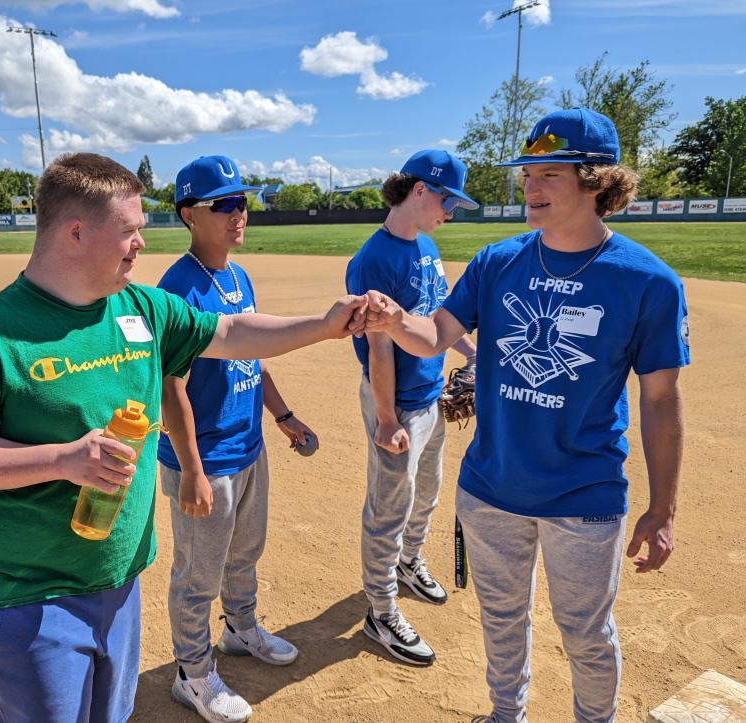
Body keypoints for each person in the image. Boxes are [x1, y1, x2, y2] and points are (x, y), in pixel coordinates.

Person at [0, 153, 365, 723]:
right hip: (25, 594)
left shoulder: (141, 308)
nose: (141, 245)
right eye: (130, 231)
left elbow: (228, 330)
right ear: (77, 231)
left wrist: (325, 324)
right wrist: (65, 459)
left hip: (118, 579)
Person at [355, 108, 689, 723]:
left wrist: (663, 509)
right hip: (490, 488)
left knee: (586, 634)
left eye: (550, 174)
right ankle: (507, 714)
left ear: (598, 182)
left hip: (582, 494)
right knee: (502, 619)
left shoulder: (649, 283)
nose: (530, 187)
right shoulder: (497, 261)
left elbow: (661, 400)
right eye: (528, 172)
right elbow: (434, 336)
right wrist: (395, 319)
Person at [157, 155, 312, 722]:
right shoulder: (177, 289)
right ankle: (191, 674)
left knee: (244, 553)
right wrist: (193, 470)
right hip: (205, 458)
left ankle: (240, 630)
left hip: (247, 446)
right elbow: (169, 387)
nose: (237, 213)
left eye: (241, 202)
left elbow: (254, 351)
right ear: (188, 215)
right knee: (197, 575)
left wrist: (283, 414)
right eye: (222, 204)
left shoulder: (238, 276)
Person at [345, 149, 479, 667]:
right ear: (420, 191)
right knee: (388, 509)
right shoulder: (374, 259)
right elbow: (380, 346)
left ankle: (407, 562)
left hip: (430, 395)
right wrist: (384, 418)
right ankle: (380, 611)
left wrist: (475, 354)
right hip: (395, 401)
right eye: (449, 200)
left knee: (427, 492)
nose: (453, 212)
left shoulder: (425, 246)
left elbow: (437, 321)